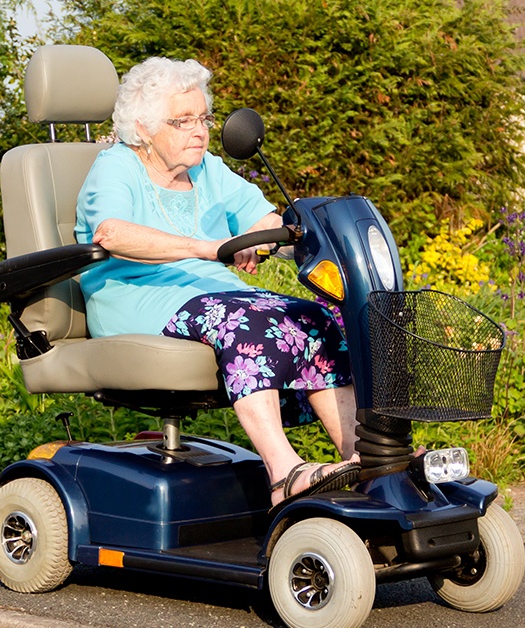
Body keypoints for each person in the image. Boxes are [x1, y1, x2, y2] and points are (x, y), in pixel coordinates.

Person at [74, 56, 359, 509]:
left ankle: (360, 459)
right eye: (182, 120)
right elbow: (112, 234)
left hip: (212, 295)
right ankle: (284, 471)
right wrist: (208, 247)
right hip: (136, 295)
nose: (200, 130)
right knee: (246, 325)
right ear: (143, 127)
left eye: (203, 117)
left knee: (316, 316)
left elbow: (262, 215)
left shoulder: (207, 169)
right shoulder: (116, 166)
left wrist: (270, 233)